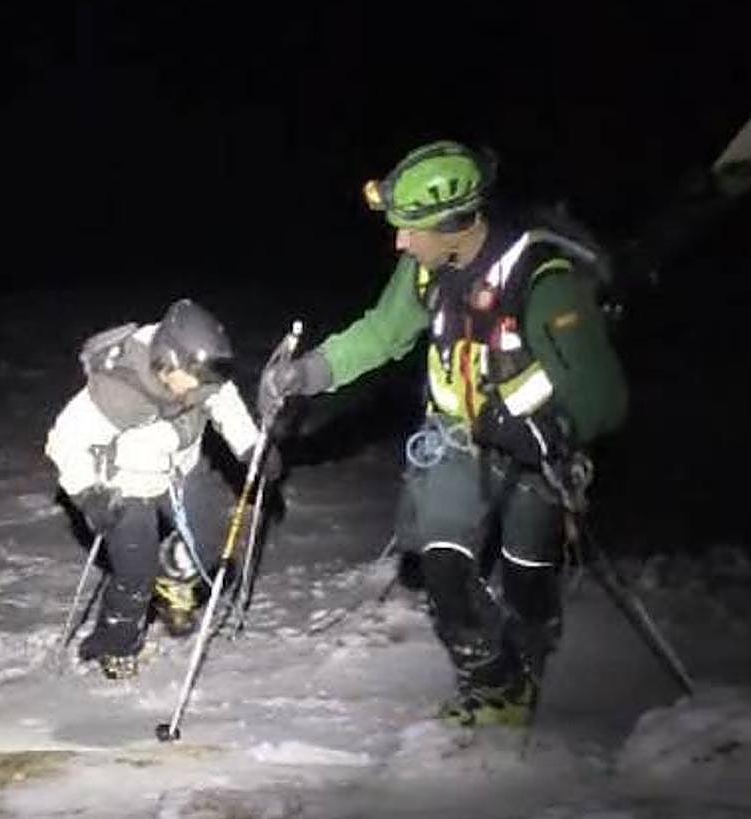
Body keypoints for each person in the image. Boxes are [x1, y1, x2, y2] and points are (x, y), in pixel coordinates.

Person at [260, 141, 628, 726]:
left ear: (456, 223)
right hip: (455, 440)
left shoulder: (543, 281)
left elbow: (604, 399)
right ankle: (493, 685)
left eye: (412, 229)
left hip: (538, 457)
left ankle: (527, 660)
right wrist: (308, 373)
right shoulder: (425, 270)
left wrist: (554, 431)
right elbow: (382, 333)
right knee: (444, 564)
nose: (400, 243)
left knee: (529, 576)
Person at [46, 298, 280, 679]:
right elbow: (63, 441)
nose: (200, 387)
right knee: (136, 573)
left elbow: (225, 403)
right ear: (167, 360)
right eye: (194, 377)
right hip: (123, 486)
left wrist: (251, 447)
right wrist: (88, 494)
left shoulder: (198, 372)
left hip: (179, 473)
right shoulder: (117, 388)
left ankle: (174, 576)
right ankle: (113, 645)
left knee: (212, 543)